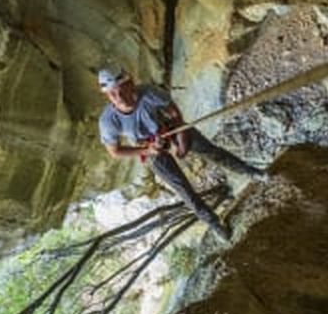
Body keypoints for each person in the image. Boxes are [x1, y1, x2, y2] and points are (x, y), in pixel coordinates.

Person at [97, 64, 267, 240]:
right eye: (112, 94)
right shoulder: (108, 121)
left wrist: (181, 140)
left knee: (211, 151)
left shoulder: (148, 93)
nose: (119, 98)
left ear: (130, 83)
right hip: (148, 147)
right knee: (183, 188)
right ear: (106, 95)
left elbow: (175, 114)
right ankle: (214, 223)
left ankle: (252, 172)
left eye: (121, 90)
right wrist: (148, 149)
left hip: (170, 128)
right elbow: (115, 151)